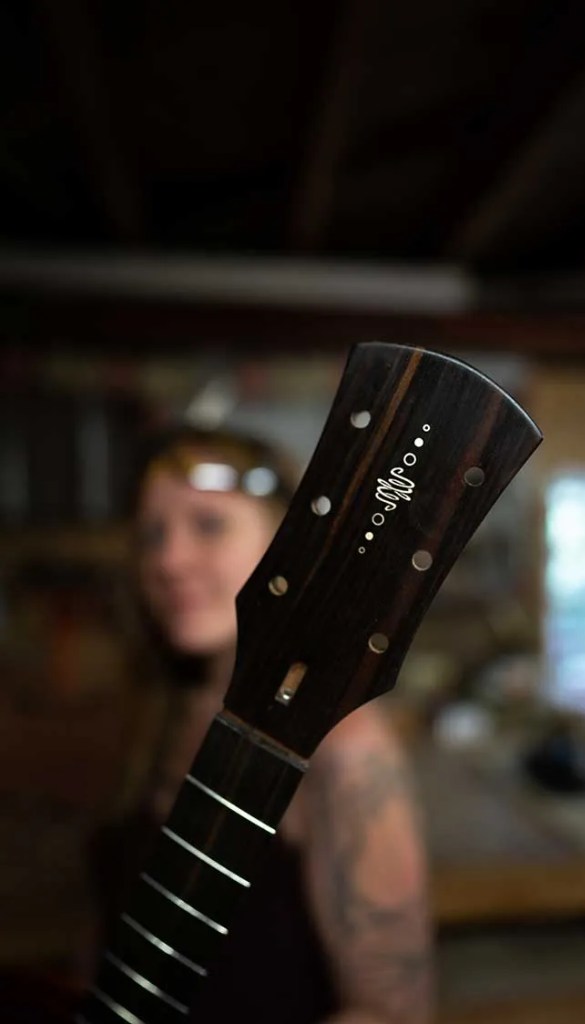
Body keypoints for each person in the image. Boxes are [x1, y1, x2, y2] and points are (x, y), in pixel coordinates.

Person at [115, 424, 435, 1024]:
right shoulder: (161, 713)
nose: (168, 559)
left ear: (292, 542)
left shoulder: (343, 749)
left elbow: (391, 1013)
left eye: (208, 525)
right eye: (151, 534)